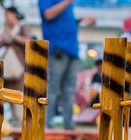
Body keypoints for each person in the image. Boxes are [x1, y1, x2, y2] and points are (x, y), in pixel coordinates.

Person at [38, 0, 95, 129]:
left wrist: (80, 21)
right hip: (57, 49)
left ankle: (69, 124)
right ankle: (46, 124)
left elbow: (63, 21)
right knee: (53, 88)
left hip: (72, 50)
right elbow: (48, 14)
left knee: (69, 90)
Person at [0, 6, 30, 126]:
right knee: (7, 92)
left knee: (19, 92)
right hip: (7, 66)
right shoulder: (6, 28)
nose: (6, 18)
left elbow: (28, 40)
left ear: (14, 15)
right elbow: (2, 43)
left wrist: (13, 37)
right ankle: (9, 121)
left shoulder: (23, 26)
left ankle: (20, 120)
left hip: (19, 65)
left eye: (8, 15)